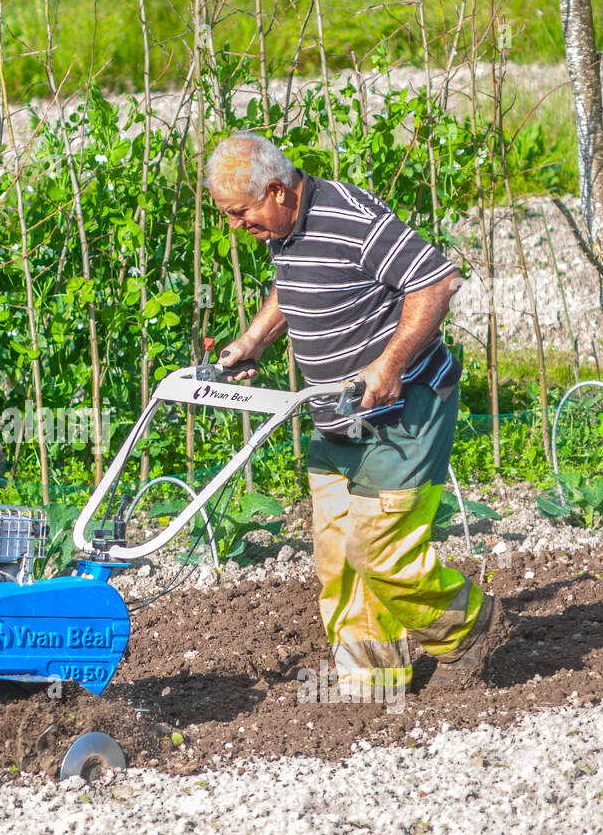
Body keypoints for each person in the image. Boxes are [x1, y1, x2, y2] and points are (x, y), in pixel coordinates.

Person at [205, 131, 502, 698]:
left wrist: (389, 365)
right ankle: (374, 679)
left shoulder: (349, 214)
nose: (237, 226)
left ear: (276, 191)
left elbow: (437, 282)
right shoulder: (284, 227)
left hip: (402, 410)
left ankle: (469, 626)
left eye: (241, 214)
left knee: (380, 551)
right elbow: (294, 286)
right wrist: (255, 339)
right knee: (339, 558)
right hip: (338, 417)